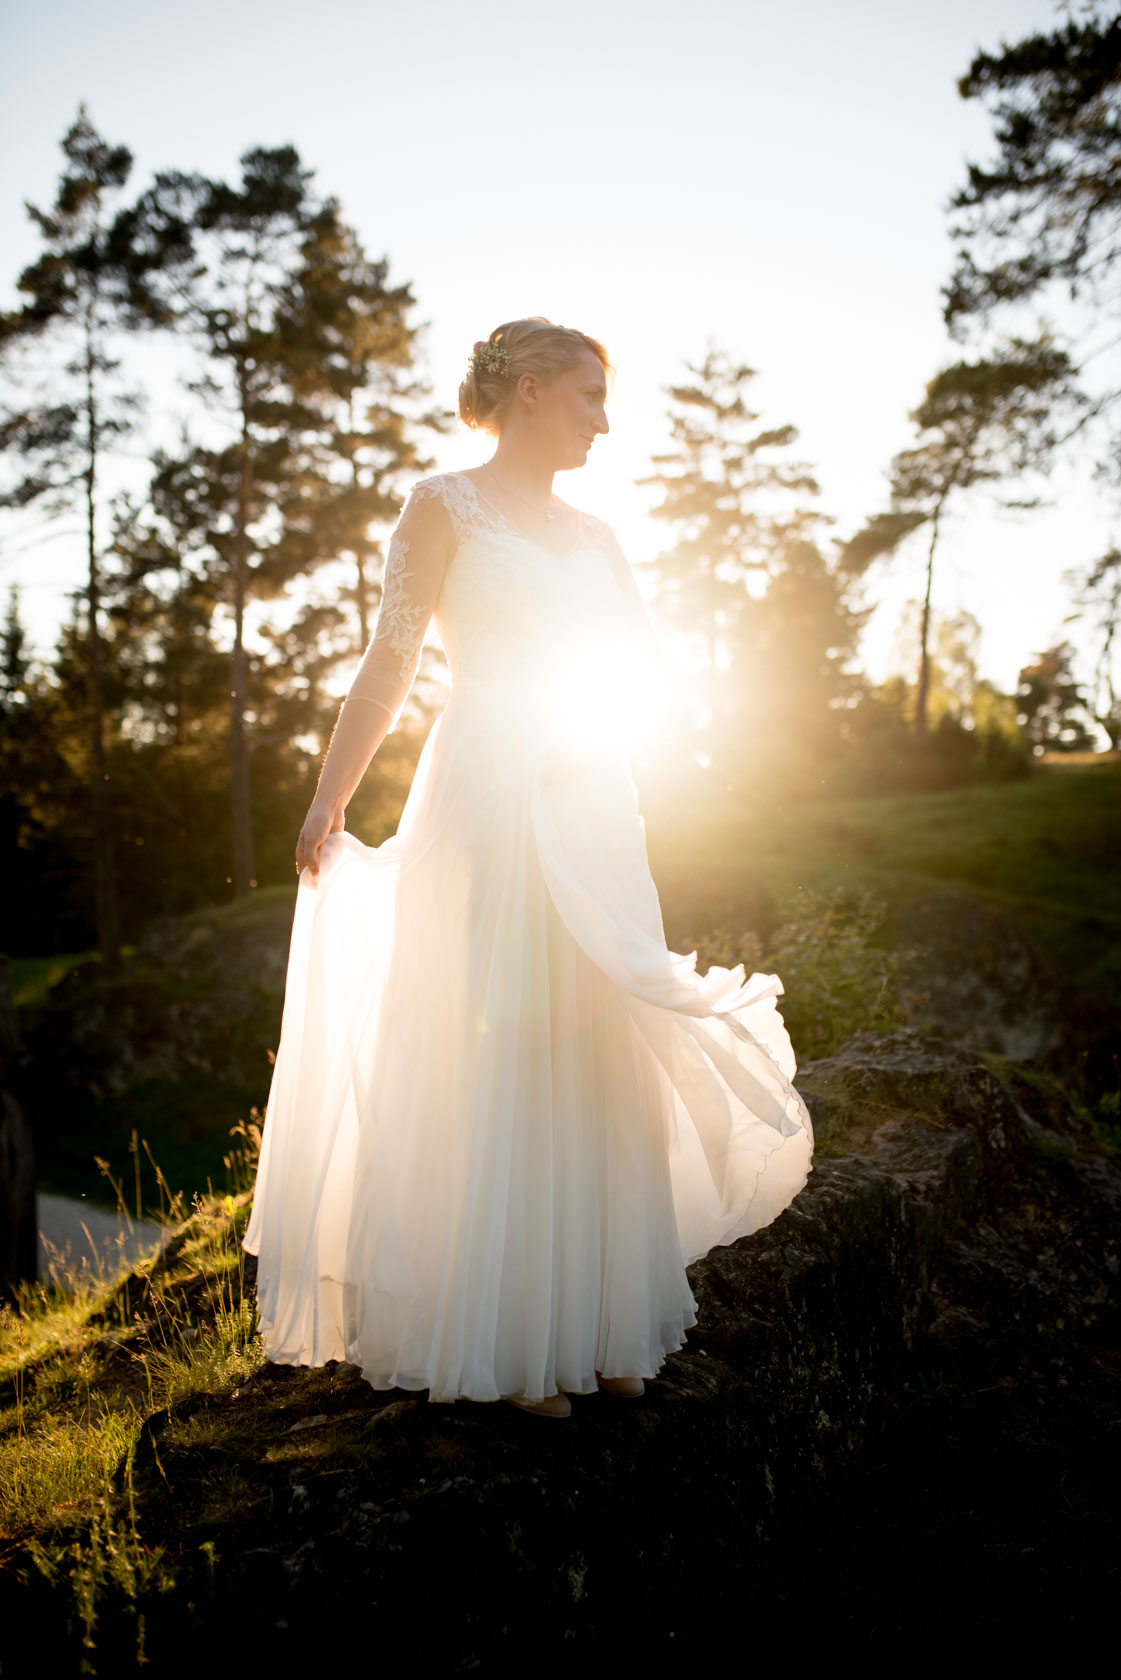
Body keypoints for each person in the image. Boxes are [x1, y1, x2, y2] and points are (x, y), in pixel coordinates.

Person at [243, 317, 813, 1420]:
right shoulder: (441, 504)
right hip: (488, 784)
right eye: (589, 395)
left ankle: (597, 1323)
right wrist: (329, 795)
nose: (605, 418)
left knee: (595, 1023)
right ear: (528, 391)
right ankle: (504, 1337)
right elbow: (392, 653)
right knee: (500, 1029)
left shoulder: (599, 536)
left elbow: (641, 667)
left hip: (592, 790)